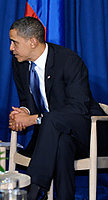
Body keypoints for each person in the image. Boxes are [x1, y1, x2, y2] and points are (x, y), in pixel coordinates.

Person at [8, 17, 107, 200]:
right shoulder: (20, 63)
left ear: (32, 42)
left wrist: (35, 119)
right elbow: (26, 99)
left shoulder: (69, 61)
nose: (11, 48)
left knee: (53, 120)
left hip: (89, 134)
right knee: (62, 144)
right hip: (56, 137)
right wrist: (24, 112)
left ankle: (32, 190)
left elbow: (78, 108)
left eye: (15, 42)